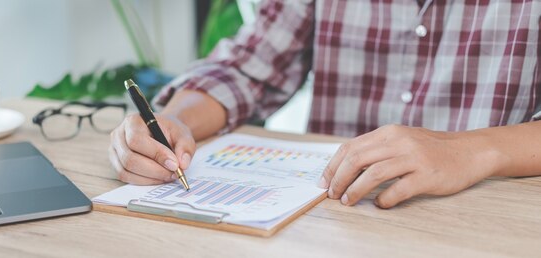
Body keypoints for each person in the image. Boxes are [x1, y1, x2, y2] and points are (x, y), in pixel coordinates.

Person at [109, 0, 541, 209]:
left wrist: (468, 150)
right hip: (334, 216)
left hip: (484, 221)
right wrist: (174, 121)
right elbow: (247, 68)